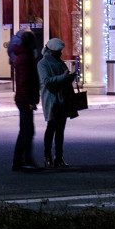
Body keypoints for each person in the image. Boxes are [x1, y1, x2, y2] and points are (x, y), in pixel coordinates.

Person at [37, 36, 76, 170]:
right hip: (52, 99)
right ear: (52, 51)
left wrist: (69, 78)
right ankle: (48, 156)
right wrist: (63, 77)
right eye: (59, 51)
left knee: (60, 130)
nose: (61, 53)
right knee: (51, 128)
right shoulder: (43, 64)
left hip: (62, 99)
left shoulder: (59, 62)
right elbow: (46, 82)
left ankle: (58, 157)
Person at [10, 29, 41, 172]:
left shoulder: (23, 56)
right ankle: (24, 160)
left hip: (24, 98)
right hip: (25, 98)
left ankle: (21, 160)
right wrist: (31, 100)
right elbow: (26, 80)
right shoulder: (26, 58)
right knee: (27, 130)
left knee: (25, 130)